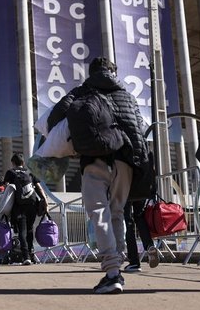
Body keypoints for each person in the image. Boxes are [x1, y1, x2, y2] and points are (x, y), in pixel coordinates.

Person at [47, 56, 148, 294]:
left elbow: (54, 118)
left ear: (91, 72)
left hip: (95, 158)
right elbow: (140, 127)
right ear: (114, 72)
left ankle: (112, 273)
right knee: (117, 213)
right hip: (126, 160)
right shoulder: (127, 95)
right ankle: (117, 266)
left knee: (99, 213)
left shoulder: (82, 90)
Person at [4, 153, 48, 265]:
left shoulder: (10, 173)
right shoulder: (30, 172)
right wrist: (44, 200)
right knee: (29, 229)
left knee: (22, 232)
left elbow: (7, 190)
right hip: (32, 204)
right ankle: (32, 254)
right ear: (23, 163)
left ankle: (26, 257)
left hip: (19, 206)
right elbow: (38, 187)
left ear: (13, 163)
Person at [123, 200, 159, 272]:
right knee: (140, 217)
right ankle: (149, 245)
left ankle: (134, 262)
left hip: (126, 192)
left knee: (128, 221)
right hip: (140, 191)